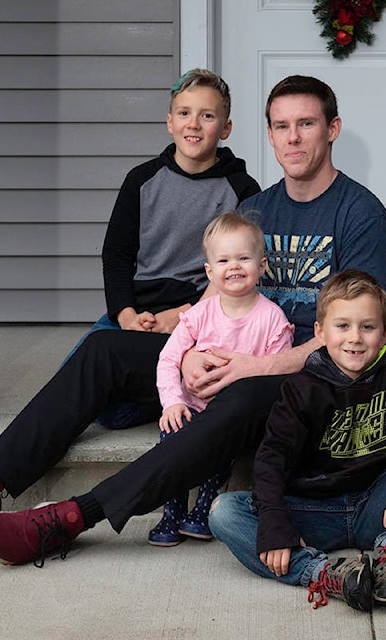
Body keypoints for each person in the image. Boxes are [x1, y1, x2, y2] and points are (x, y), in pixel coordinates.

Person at [0, 74, 386, 568]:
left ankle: (74, 517)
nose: (293, 138)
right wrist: (187, 355)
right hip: (230, 361)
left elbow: (350, 341)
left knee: (237, 397)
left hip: (308, 384)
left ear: (332, 129)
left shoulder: (361, 215)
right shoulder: (257, 207)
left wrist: (252, 367)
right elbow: (211, 298)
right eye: (281, 126)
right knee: (106, 349)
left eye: (306, 124)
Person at [209, 270, 386, 612]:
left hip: (383, 508)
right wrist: (274, 522)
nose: (355, 338)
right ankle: (330, 574)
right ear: (320, 332)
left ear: (385, 333)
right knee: (225, 512)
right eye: (342, 326)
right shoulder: (300, 388)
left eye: (367, 327)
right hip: (315, 513)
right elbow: (271, 458)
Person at [60, 68, 261, 429]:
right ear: (170, 122)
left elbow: (239, 273)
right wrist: (126, 317)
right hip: (137, 312)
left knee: (115, 404)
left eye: (207, 115)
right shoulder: (141, 180)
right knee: (77, 388)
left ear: (226, 128)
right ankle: (168, 387)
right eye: (184, 113)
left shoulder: (242, 190)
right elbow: (116, 255)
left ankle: (173, 386)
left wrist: (184, 316)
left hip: (201, 317)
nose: (194, 125)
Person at [148, 212, 294, 546]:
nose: (235, 267)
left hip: (232, 418)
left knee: (218, 454)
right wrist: (172, 402)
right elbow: (168, 359)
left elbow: (279, 372)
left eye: (244, 258)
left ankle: (201, 513)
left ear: (262, 266)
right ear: (210, 272)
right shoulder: (199, 315)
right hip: (190, 407)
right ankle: (171, 516)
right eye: (224, 260)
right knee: (173, 448)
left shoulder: (272, 319)